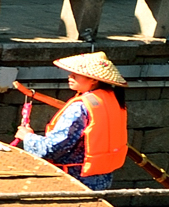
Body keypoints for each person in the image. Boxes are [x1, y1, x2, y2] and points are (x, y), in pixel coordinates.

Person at [16, 51, 129, 189]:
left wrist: (27, 136)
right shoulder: (113, 100)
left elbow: (52, 148)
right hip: (101, 179)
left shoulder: (80, 107)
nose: (70, 76)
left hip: (75, 180)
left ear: (94, 80)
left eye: (76, 74)